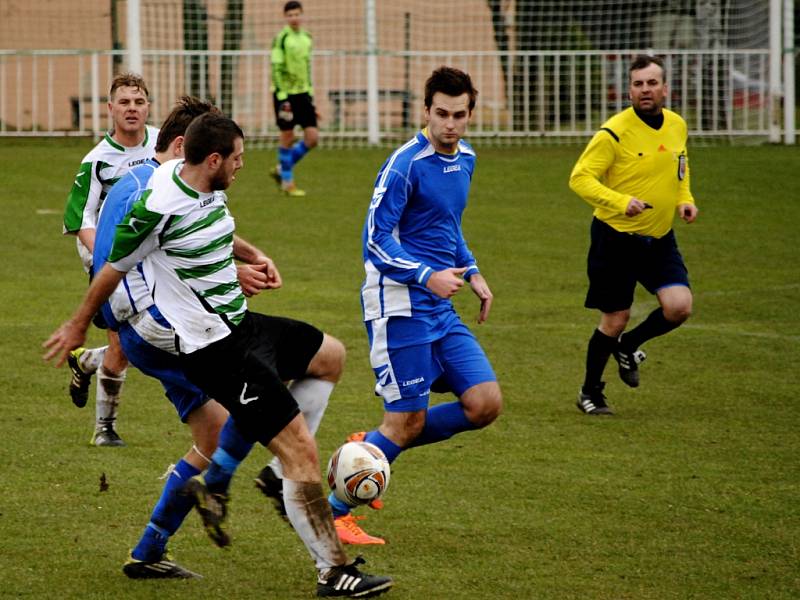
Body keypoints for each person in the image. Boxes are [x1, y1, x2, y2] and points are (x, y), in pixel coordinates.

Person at [44, 112, 393, 597]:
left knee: (330, 355)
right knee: (300, 451)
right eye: (238, 158)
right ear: (212, 159)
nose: (242, 166)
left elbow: (213, 233)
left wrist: (249, 259)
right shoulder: (155, 204)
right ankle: (333, 571)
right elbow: (112, 269)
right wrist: (79, 324)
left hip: (242, 324)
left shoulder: (188, 178)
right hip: (215, 348)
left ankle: (262, 478)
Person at [89, 95, 340, 579]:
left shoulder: (161, 180)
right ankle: (245, 484)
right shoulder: (151, 193)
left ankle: (150, 550)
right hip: (160, 330)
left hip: (155, 329)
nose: (237, 165)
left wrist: (235, 263)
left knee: (215, 428)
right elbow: (122, 265)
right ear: (191, 148)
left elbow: (199, 236)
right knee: (250, 397)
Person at [326, 66, 503, 543]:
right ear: (426, 111)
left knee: (484, 404)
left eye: (459, 115)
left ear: (470, 113)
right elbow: (375, 241)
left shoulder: (466, 158)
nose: (449, 123)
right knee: (407, 421)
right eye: (441, 114)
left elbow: (447, 227)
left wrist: (472, 270)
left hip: (440, 307)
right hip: (398, 302)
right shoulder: (405, 164)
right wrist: (427, 274)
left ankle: (369, 448)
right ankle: (334, 510)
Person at [568, 54, 699, 416]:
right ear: (629, 90)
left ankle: (629, 347)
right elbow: (579, 178)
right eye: (639, 84)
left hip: (659, 238)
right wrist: (619, 200)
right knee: (614, 319)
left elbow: (680, 166)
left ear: (665, 88)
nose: (646, 90)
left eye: (652, 83)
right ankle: (590, 392)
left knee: (679, 307)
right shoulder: (613, 132)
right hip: (615, 239)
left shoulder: (676, 125)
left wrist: (684, 199)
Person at [62, 72, 158, 446]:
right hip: (108, 261)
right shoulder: (97, 161)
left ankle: (85, 361)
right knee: (122, 345)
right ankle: (104, 429)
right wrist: (109, 255)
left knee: (149, 338)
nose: (132, 109)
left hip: (151, 254)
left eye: (138, 102)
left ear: (148, 107)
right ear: (110, 109)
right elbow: (78, 219)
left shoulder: (161, 144)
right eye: (124, 102)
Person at [269, 0, 318, 197]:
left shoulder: (307, 38)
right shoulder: (281, 39)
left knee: (312, 138)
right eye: (290, 15)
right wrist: (283, 97)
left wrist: (310, 92)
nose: (294, 18)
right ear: (285, 17)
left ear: (302, 15)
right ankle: (287, 183)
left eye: (297, 14)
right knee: (288, 137)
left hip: (303, 94)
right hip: (285, 95)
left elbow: (306, 67)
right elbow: (276, 68)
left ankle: (281, 169)